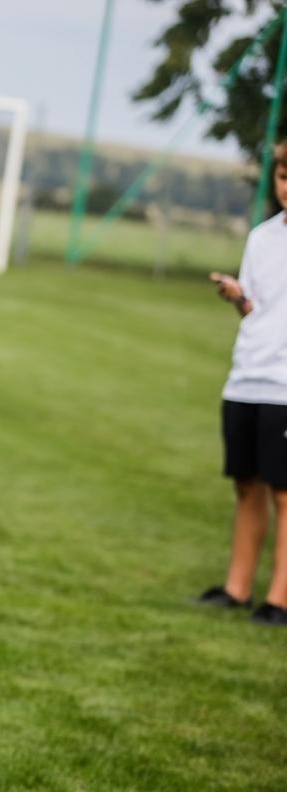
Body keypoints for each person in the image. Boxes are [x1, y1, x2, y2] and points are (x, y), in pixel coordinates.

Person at [193, 140, 287, 627]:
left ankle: (280, 599)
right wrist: (237, 295)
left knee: (284, 493)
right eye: (283, 177)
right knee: (246, 485)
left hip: (285, 389)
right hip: (246, 378)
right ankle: (237, 588)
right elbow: (254, 309)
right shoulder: (262, 237)